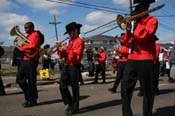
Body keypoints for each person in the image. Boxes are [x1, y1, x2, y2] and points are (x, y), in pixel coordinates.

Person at [120, 1, 158, 116]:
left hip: (145, 59)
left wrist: (138, 21)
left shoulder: (152, 21)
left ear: (146, 6)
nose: (137, 9)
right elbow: (126, 42)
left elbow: (142, 36)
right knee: (124, 87)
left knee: (147, 91)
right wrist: (127, 29)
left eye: (140, 7)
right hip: (132, 59)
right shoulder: (136, 23)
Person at [56, 22, 84, 115]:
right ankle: (70, 103)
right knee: (62, 85)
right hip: (67, 65)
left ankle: (75, 107)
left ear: (75, 31)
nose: (68, 34)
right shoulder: (70, 41)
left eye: (70, 32)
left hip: (74, 66)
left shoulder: (79, 41)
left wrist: (65, 49)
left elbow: (74, 55)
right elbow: (62, 56)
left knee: (74, 87)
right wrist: (60, 49)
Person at [16, 22, 41, 107]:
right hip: (25, 59)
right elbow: (26, 44)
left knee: (31, 81)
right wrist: (19, 42)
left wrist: (22, 48)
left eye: (27, 28)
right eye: (25, 28)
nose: (25, 29)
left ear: (32, 27)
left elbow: (33, 46)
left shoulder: (35, 34)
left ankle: (32, 99)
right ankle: (28, 96)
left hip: (32, 60)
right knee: (19, 79)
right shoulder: (27, 36)